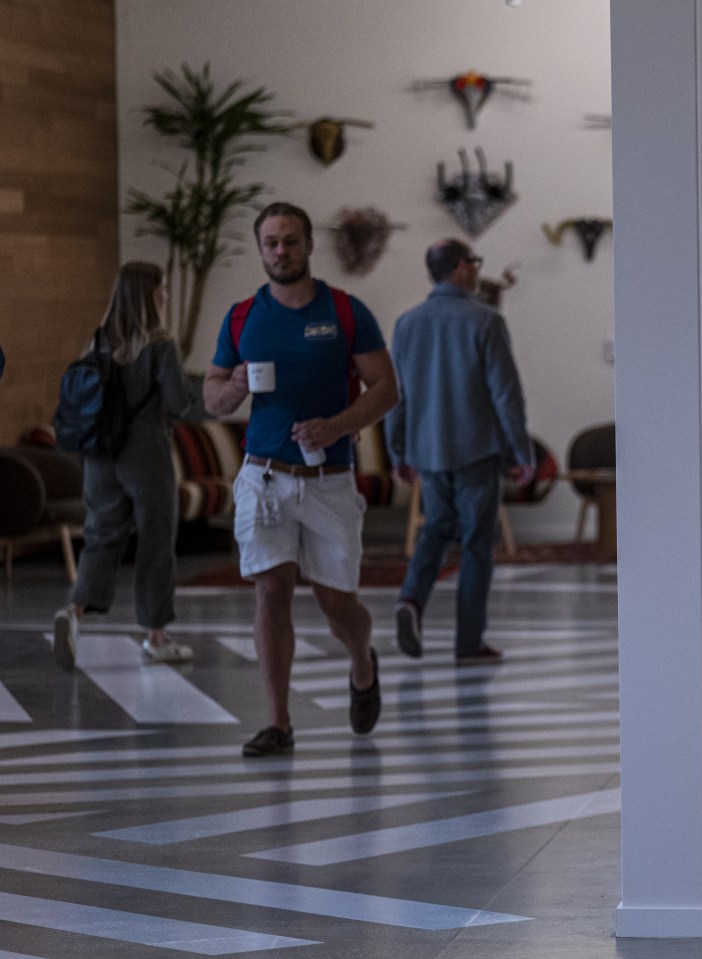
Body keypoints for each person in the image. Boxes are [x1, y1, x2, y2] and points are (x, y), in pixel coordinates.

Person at [203, 202, 398, 757]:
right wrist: (234, 387)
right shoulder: (243, 317)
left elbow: (386, 388)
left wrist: (336, 425)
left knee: (338, 606)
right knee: (271, 591)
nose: (281, 251)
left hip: (329, 479)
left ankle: (362, 660)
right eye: (271, 243)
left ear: (309, 245)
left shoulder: (345, 310)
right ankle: (278, 722)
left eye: (290, 241)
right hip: (263, 477)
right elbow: (212, 395)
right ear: (261, 249)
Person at [387, 238, 534, 665]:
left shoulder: (407, 323)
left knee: (436, 527)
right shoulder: (485, 320)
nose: (477, 269)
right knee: (475, 543)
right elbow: (505, 392)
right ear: (459, 268)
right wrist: (521, 451)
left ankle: (411, 600)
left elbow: (398, 394)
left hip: (427, 450)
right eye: (474, 262)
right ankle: (469, 641)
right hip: (476, 451)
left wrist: (398, 451)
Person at [53, 261, 195, 670]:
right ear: (150, 294)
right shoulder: (160, 345)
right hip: (146, 454)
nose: (165, 294)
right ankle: (156, 636)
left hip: (98, 456)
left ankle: (74, 611)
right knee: (156, 542)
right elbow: (178, 403)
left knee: (101, 535)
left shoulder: (97, 341)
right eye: (162, 288)